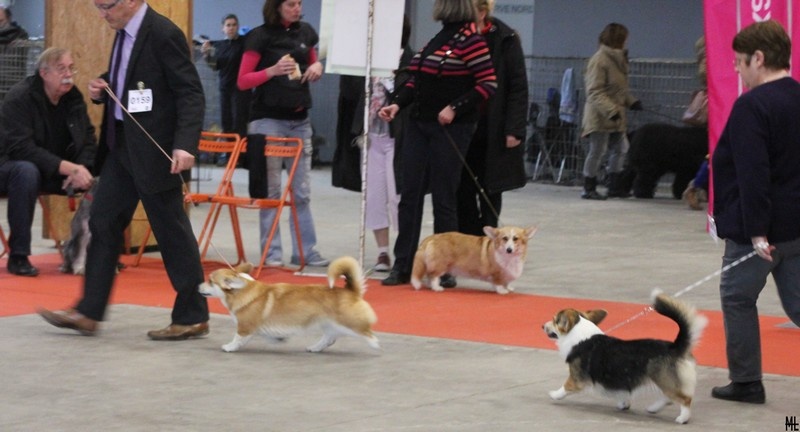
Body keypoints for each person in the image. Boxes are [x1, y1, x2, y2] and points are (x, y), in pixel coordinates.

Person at [38, 0, 209, 341]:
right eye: (98, 7)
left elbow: (190, 92)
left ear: (131, 0)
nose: (103, 14)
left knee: (171, 231)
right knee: (102, 222)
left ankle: (193, 316)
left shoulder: (163, 33)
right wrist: (104, 87)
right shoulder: (123, 31)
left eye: (107, 6)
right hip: (121, 148)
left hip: (156, 152)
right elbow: (135, 81)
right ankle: (88, 312)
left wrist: (185, 144)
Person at [710, 20, 800, 404]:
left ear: (758, 59)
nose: (736, 69)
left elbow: (753, 172)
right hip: (796, 227)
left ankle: (746, 382)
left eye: (739, 61)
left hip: (759, 232)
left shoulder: (752, 105)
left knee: (737, 297)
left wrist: (757, 231)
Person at [378, 0, 497, 286]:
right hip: (419, 125)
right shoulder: (439, 37)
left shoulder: (472, 41)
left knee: (444, 197)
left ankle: (446, 268)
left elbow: (488, 84)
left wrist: (455, 108)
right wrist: (397, 104)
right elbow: (416, 81)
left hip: (452, 129)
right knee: (410, 196)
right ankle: (404, 264)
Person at [237, 0, 329, 268]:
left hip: (299, 121)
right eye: (291, 4)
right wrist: (272, 71)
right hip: (268, 121)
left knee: (302, 192)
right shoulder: (259, 36)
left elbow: (313, 61)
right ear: (277, 6)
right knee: (271, 191)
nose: (297, 8)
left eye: (299, 3)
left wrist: (317, 67)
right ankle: (272, 253)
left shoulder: (306, 32)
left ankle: (306, 251)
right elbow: (243, 81)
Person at [0, 47, 96, 277]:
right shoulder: (20, 97)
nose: (68, 75)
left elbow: (88, 138)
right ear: (44, 73)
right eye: (61, 69)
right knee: (26, 172)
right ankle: (18, 256)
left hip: (55, 170)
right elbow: (21, 149)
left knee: (108, 178)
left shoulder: (73, 98)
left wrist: (81, 169)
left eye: (71, 68)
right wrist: (67, 167)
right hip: (9, 167)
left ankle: (98, 253)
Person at [332, 15, 413, 272]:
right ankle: (382, 252)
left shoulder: (409, 60)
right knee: (374, 197)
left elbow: (411, 95)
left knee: (398, 196)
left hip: (398, 137)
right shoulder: (368, 59)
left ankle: (405, 251)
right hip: (370, 137)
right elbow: (350, 93)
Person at [456, 0, 528, 236]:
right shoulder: (458, 36)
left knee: (491, 187)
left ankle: (489, 237)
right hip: (464, 123)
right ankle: (470, 237)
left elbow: (518, 87)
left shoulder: (506, 38)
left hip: (494, 126)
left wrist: (514, 129)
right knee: (462, 187)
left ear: (483, 11)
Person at [580, 22, 641, 200]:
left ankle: (614, 186)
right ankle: (588, 187)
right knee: (597, 151)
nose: (627, 41)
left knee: (622, 148)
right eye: (625, 38)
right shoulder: (599, 60)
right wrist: (611, 110)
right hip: (600, 115)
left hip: (616, 116)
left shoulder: (618, 60)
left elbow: (619, 89)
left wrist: (632, 102)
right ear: (619, 39)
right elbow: (594, 91)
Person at [201, 13, 250, 167]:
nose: (231, 28)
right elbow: (215, 66)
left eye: (234, 25)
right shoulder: (220, 46)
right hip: (225, 89)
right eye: (228, 25)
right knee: (227, 122)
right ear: (222, 28)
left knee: (239, 123)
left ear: (237, 27)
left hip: (240, 89)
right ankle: (229, 156)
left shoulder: (244, 43)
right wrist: (206, 55)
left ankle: (240, 157)